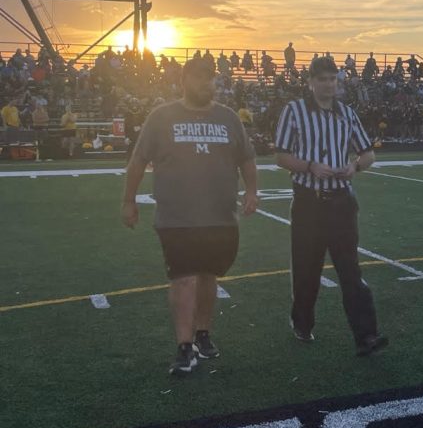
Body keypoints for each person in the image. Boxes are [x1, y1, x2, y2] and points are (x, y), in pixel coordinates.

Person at [121, 58, 258, 375]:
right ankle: (184, 347)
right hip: (177, 217)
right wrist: (128, 200)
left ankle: (203, 334)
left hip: (220, 216)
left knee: (209, 276)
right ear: (184, 81)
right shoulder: (162, 117)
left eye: (210, 79)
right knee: (183, 278)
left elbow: (247, 158)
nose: (206, 84)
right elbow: (138, 161)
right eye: (200, 78)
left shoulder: (228, 118)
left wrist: (252, 192)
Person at [274, 55, 387, 356]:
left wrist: (355, 167)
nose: (328, 85)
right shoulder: (294, 111)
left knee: (350, 270)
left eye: (332, 79)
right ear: (310, 82)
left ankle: (367, 335)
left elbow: (368, 154)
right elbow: (281, 156)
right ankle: (303, 322)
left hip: (341, 202)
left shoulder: (347, 113)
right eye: (322, 79)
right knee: (307, 271)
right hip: (309, 202)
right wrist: (310, 165)